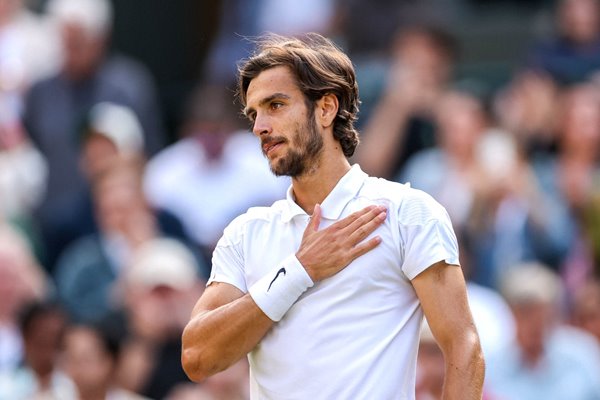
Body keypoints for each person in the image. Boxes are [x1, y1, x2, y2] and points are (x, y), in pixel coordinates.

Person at [181, 33, 484, 399]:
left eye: (275, 105)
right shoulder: (245, 233)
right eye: (253, 113)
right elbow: (197, 356)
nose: (260, 125)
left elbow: (464, 346)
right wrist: (299, 270)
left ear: (325, 108)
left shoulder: (408, 212)